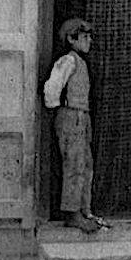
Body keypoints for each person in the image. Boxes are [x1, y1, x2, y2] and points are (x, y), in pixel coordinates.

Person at [43, 17, 101, 234]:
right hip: (71, 117)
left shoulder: (81, 61)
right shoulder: (68, 61)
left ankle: (84, 209)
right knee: (74, 165)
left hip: (82, 117)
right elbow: (52, 88)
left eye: (89, 37)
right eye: (84, 37)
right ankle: (72, 213)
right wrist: (59, 109)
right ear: (71, 39)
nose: (89, 41)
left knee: (85, 163)